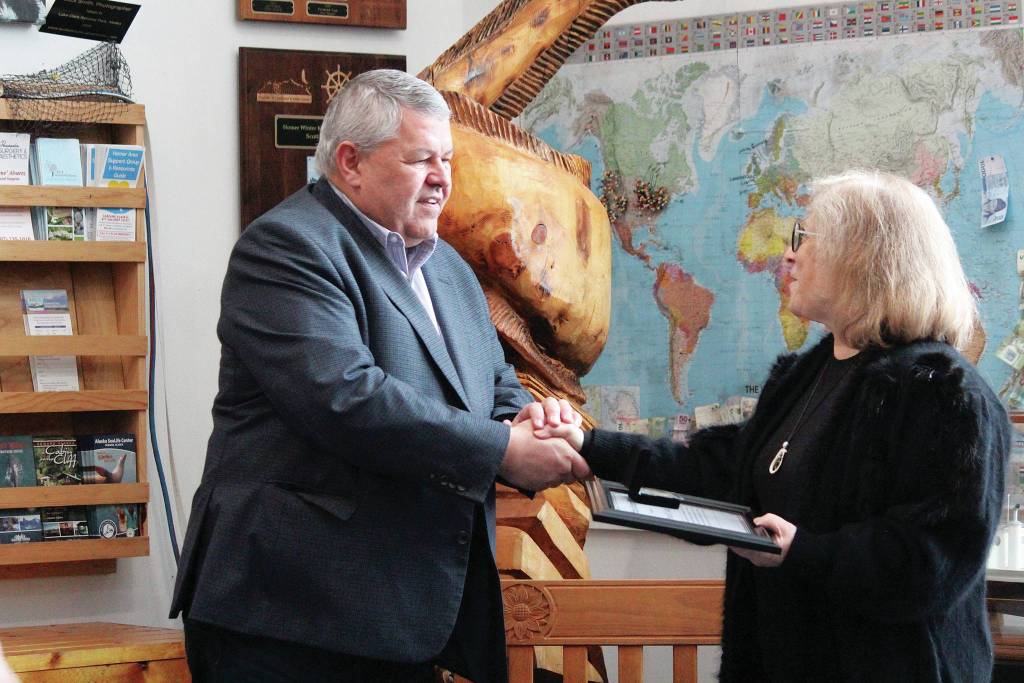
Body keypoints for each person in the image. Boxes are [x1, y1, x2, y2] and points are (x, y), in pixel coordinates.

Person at [169, 69, 587, 683]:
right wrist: (503, 449)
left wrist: (530, 415)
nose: (443, 177)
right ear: (351, 162)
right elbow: (347, 398)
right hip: (288, 618)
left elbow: (491, 381)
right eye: (422, 159)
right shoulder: (286, 247)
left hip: (402, 618)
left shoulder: (447, 266)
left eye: (447, 159)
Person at [544, 169, 1010, 682]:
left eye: (803, 237)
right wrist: (589, 445)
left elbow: (928, 563)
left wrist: (804, 552)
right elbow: (723, 468)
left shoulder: (944, 392)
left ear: (862, 257)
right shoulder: (805, 374)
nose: (789, 255)